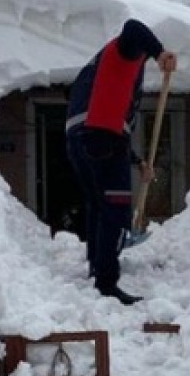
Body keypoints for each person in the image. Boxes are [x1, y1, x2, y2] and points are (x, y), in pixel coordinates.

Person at [65, 19, 177, 305]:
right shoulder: (125, 51)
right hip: (101, 137)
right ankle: (107, 282)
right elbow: (132, 26)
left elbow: (110, 118)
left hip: (81, 139)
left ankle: (97, 266)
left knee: (99, 206)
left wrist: (137, 161)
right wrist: (160, 52)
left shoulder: (102, 72)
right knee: (115, 210)